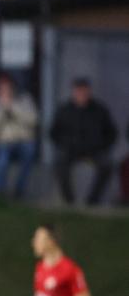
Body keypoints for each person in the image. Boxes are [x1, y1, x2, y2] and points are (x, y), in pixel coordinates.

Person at [50, 78, 117, 206]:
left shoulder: (99, 110)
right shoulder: (64, 110)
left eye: (84, 91)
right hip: (70, 150)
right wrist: (64, 144)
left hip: (94, 151)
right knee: (59, 164)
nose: (81, 94)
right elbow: (53, 133)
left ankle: (92, 201)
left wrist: (102, 146)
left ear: (89, 91)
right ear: (74, 92)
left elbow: (112, 133)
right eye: (78, 91)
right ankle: (69, 201)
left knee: (107, 165)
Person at [0, 73, 38, 199]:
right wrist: (2, 110)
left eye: (7, 87)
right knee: (1, 161)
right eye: (1, 88)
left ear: (13, 87)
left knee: (29, 152)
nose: (4, 91)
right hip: (3, 142)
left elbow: (33, 121)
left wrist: (12, 108)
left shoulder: (25, 99)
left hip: (24, 140)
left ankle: (19, 191)